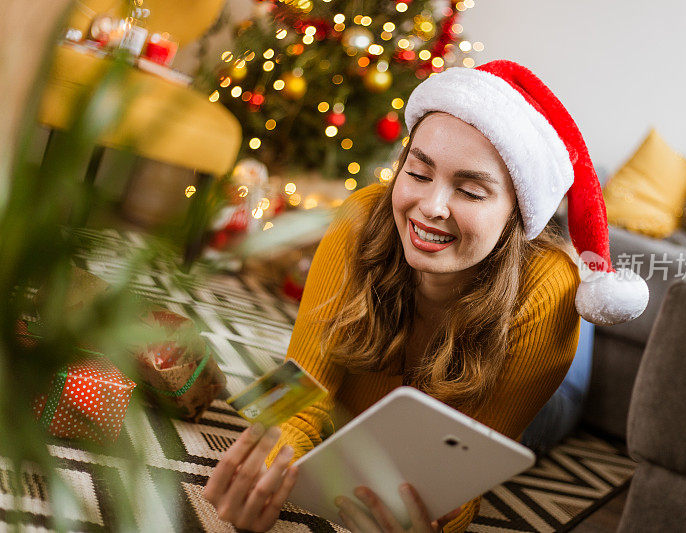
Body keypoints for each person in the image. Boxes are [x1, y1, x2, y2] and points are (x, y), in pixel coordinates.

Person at [202, 60, 648, 532]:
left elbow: (460, 479)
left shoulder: (548, 290)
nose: (431, 208)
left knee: (528, 436)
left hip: (530, 369)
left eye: (472, 191)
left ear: (516, 213)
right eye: (419, 173)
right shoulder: (361, 215)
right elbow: (297, 383)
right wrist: (267, 455)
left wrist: (439, 516)